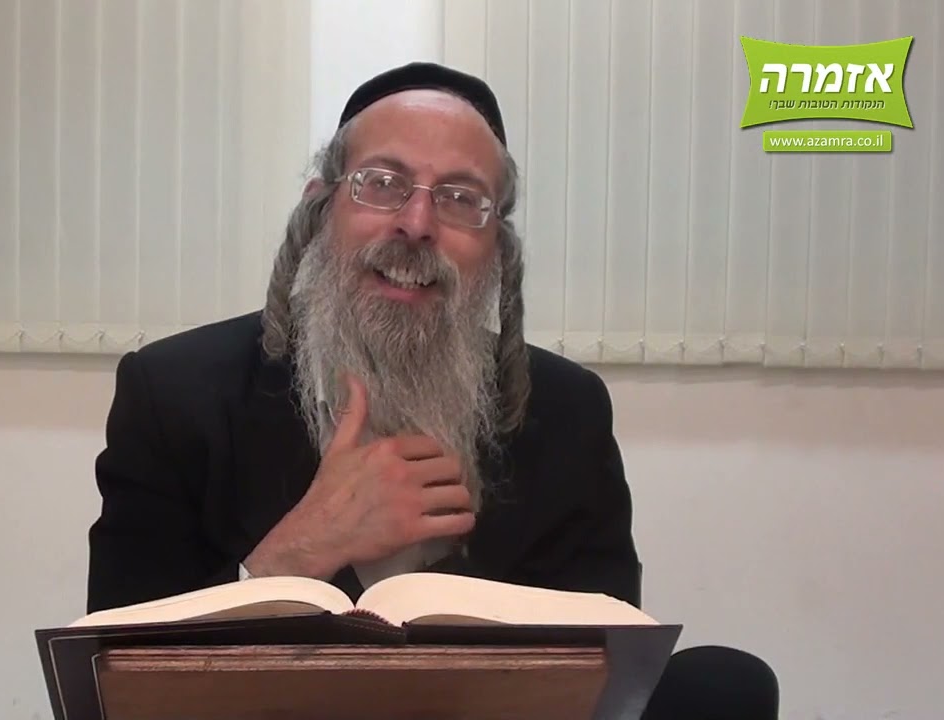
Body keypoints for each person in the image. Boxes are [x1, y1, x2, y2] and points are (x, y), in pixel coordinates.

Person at [86, 62, 778, 720]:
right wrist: (297, 555)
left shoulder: (567, 412)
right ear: (321, 209)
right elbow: (113, 689)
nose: (416, 224)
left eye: (459, 199)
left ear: (497, 251)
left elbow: (602, 674)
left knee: (723, 683)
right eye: (382, 183)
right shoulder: (175, 394)